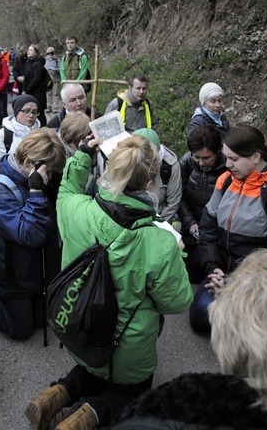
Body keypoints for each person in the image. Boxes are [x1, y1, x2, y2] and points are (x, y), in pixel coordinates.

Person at [25, 135, 192, 430]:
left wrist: (82, 155)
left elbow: (67, 188)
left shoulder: (75, 209)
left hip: (79, 327)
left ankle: (54, 396)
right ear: (149, 183)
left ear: (111, 169)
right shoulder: (159, 241)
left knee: (93, 367)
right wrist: (177, 255)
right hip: (125, 348)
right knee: (131, 390)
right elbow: (177, 301)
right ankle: (81, 420)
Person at [111, 248, 267, 430]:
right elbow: (207, 234)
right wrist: (214, 269)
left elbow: (178, 301)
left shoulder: (173, 403)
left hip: (111, 354)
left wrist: (173, 253)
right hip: (224, 271)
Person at [0, 128, 66, 340]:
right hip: (13, 277)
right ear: (28, 164)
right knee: (22, 332)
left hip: (37, 271)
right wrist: (36, 193)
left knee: (42, 320)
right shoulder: (0, 191)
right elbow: (30, 235)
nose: (51, 177)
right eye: (51, 171)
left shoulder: (36, 174)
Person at [189, 125, 267, 332]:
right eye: (226, 158)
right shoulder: (226, 180)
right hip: (222, 268)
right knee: (202, 314)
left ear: (256, 157)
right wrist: (213, 268)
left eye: (234, 159)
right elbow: (207, 228)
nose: (227, 165)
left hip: (254, 277)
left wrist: (238, 281)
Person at [178, 126, 227, 283]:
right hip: (191, 228)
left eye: (206, 158)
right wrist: (190, 222)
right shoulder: (187, 162)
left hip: (215, 231)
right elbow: (180, 195)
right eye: (196, 157)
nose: (201, 162)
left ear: (217, 152)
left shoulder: (228, 167)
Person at [132, 128, 182, 223]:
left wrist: (159, 227)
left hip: (158, 218)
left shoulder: (170, 166)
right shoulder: (125, 161)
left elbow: (173, 202)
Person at [0, 94, 41, 166]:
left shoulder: (41, 133)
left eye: (34, 112)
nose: (31, 115)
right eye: (26, 111)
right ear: (16, 112)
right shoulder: (3, 135)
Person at [24, 44, 50, 127]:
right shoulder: (29, 63)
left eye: (31, 50)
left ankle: (43, 129)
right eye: (28, 50)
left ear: (36, 53)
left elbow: (36, 79)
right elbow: (26, 78)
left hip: (38, 93)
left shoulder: (38, 64)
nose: (28, 51)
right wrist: (23, 89)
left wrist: (27, 90)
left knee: (39, 113)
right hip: (30, 92)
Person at [45, 46, 61, 113]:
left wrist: (54, 69)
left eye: (51, 53)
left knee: (55, 94)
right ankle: (48, 107)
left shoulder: (57, 60)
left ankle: (55, 108)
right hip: (48, 80)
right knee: (48, 94)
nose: (50, 55)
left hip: (56, 79)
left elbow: (61, 69)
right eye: (49, 53)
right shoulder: (45, 60)